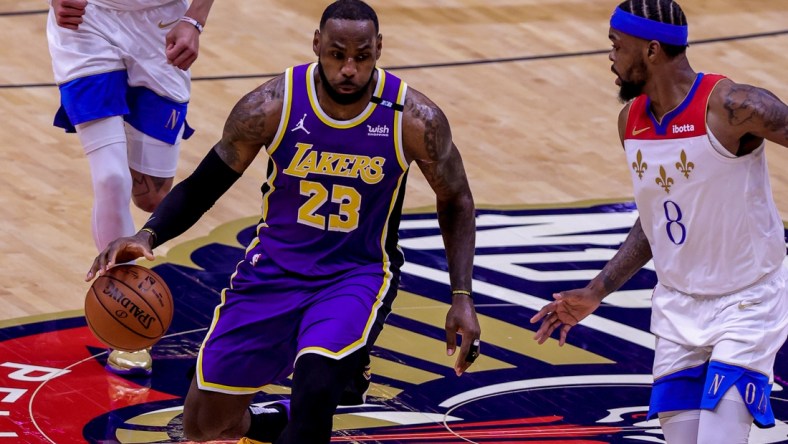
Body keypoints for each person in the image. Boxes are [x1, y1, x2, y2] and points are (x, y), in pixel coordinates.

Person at [85, 0, 482, 442]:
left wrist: (461, 296)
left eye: (362, 56)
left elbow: (456, 200)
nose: (349, 68)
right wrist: (148, 232)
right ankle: (284, 412)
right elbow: (206, 183)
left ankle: (337, 377)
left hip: (355, 276)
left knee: (315, 385)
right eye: (337, 54)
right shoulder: (272, 105)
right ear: (316, 44)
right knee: (204, 427)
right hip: (271, 272)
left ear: (379, 49)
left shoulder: (412, 119)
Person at [530, 1, 788, 443]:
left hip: (748, 300)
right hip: (678, 306)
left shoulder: (732, 107)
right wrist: (597, 291)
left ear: (651, 51)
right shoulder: (630, 121)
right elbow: (656, 217)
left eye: (615, 46)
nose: (609, 58)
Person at [48, 0, 215, 376]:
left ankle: (117, 118)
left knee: (151, 197)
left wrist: (195, 19)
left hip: (162, 24)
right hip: (88, 21)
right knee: (112, 178)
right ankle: (123, 316)